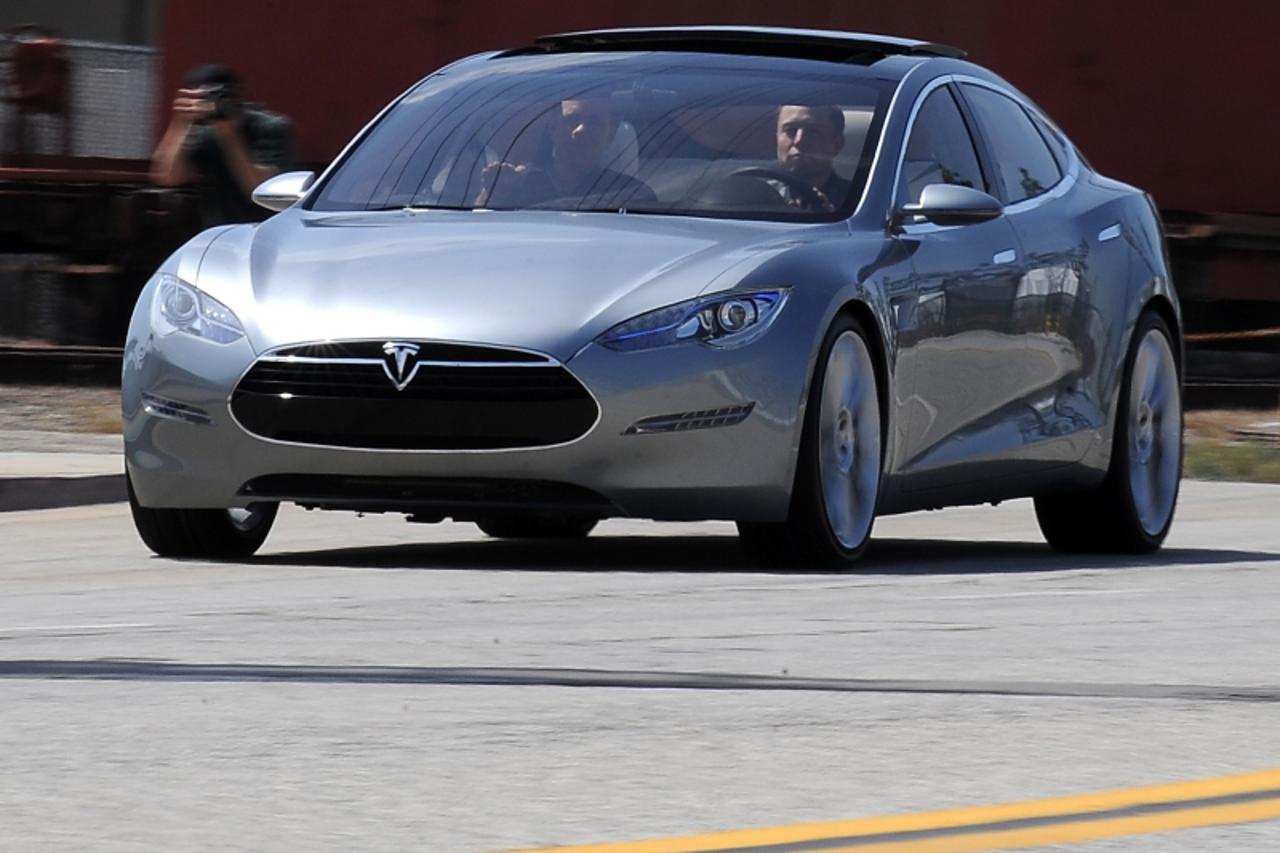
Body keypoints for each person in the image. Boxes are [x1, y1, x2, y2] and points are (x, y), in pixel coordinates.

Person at [150, 64, 293, 226]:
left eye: (220, 97)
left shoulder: (270, 128)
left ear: (238, 98)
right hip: (222, 229)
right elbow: (169, 177)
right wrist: (182, 121)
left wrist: (230, 136)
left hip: (266, 226)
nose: (214, 104)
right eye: (206, 98)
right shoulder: (205, 132)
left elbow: (261, 188)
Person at [476, 96, 654, 209]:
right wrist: (493, 194)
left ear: (611, 134)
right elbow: (478, 231)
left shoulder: (632, 196)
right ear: (553, 128)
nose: (581, 130)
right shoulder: (517, 185)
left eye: (594, 123)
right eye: (572, 120)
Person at [775, 104, 851, 210]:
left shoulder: (860, 202)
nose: (799, 141)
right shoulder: (754, 196)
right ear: (776, 139)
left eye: (812, 132)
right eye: (790, 130)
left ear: (837, 145)